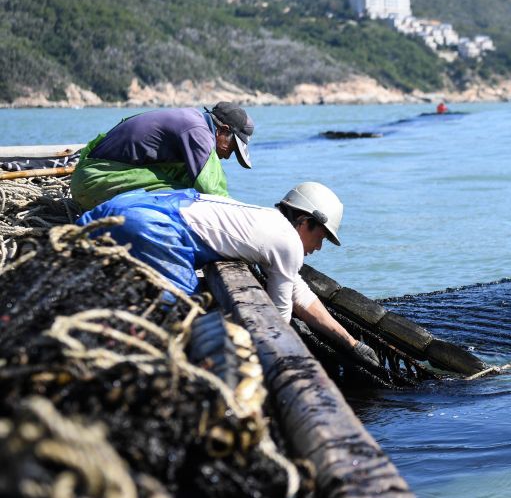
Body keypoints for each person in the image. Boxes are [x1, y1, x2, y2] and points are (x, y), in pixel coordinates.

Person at [76, 181, 381, 370]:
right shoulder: (288, 242)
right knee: (180, 309)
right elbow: (279, 317)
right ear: (304, 222)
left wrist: (350, 343)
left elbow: (297, 290)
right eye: (322, 238)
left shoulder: (268, 221)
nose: (319, 247)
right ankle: (125, 357)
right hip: (159, 226)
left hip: (139, 206)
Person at [71, 102, 255, 211]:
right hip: (96, 181)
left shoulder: (192, 119)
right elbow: (212, 191)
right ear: (222, 130)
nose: (228, 156)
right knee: (191, 200)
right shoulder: (197, 131)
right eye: (232, 148)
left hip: (92, 177)